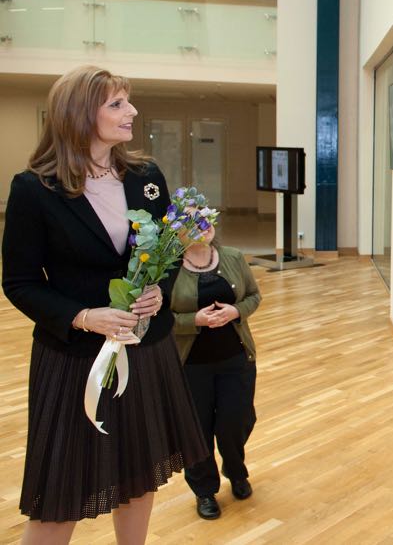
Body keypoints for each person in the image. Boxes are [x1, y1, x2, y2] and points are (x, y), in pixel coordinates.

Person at [1, 65, 208, 543]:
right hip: (75, 360)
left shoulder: (146, 176)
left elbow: (166, 252)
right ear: (79, 114)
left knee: (138, 474)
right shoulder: (35, 189)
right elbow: (19, 283)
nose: (131, 110)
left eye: (128, 101)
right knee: (61, 491)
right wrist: (83, 317)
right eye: (117, 104)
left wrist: (159, 290)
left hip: (146, 350)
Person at [171, 205, 261, 521]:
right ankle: (205, 491)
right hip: (190, 366)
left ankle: (236, 470)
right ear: (178, 232)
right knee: (197, 431)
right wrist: (192, 320)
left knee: (237, 421)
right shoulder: (167, 268)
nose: (204, 225)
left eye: (206, 218)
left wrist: (236, 312)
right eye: (194, 222)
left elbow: (253, 296)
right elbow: (156, 320)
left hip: (236, 358)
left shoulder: (233, 257)